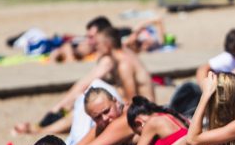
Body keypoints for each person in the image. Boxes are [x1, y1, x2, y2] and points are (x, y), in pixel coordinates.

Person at [15, 27, 154, 138]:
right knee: (91, 99)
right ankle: (45, 129)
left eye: (98, 44)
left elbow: (132, 100)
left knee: (92, 97)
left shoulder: (124, 64)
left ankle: (44, 131)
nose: (95, 47)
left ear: (108, 44)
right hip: (141, 107)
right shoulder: (123, 55)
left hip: (144, 112)